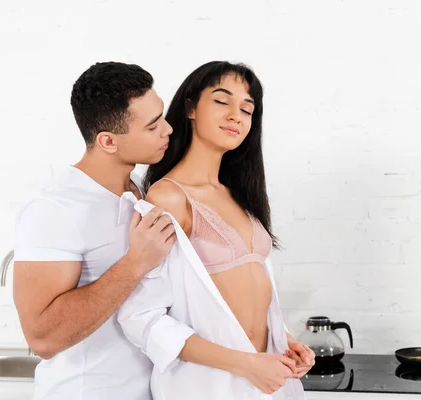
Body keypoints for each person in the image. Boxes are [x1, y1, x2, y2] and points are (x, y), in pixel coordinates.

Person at [118, 61, 315, 400]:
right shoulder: (169, 197)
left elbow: (238, 298)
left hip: (267, 382)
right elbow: (141, 317)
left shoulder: (239, 196)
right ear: (191, 107)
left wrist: (283, 340)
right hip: (211, 386)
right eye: (222, 101)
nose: (236, 115)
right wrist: (245, 364)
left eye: (247, 108)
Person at [12, 61, 178, 400]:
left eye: (161, 115)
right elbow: (42, 338)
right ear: (107, 141)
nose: (168, 129)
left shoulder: (142, 190)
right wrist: (135, 264)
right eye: (152, 126)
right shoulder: (54, 209)